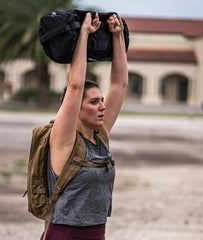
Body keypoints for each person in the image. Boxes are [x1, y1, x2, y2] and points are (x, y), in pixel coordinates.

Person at [41, 12, 128, 240]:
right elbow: (76, 86)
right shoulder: (64, 139)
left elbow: (119, 84)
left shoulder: (101, 136)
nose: (102, 106)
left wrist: (117, 37)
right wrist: (84, 35)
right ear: (75, 109)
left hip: (97, 232)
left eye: (101, 100)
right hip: (64, 234)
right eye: (94, 102)